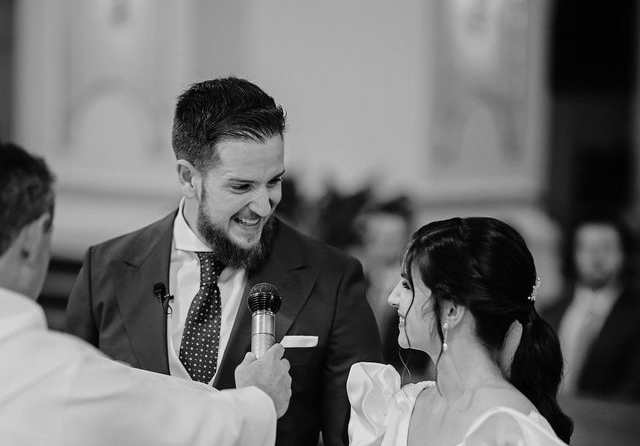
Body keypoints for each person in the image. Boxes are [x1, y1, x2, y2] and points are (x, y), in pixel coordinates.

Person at [65, 77, 382, 446]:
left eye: (273, 181)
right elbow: (68, 421)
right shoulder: (105, 269)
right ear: (188, 178)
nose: (263, 206)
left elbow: (358, 437)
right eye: (242, 187)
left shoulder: (333, 278)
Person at [0, 141, 291, 446]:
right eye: (241, 185)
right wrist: (260, 401)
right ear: (32, 238)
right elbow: (181, 429)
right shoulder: (64, 375)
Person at [347, 217, 574, 446]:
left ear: (452, 309)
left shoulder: (510, 431)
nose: (392, 298)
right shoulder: (402, 406)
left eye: (407, 285)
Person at [541, 213, 640, 400]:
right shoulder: (552, 311)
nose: (595, 257)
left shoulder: (634, 314)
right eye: (585, 247)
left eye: (606, 247)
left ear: (625, 253)